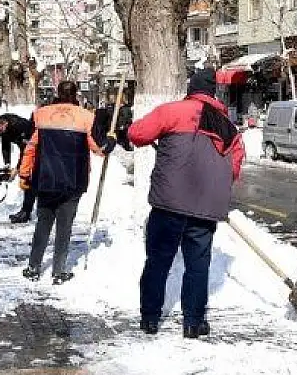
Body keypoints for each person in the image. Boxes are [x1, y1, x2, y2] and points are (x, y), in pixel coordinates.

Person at [127, 68, 245, 338]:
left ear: (191, 89)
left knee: (158, 260)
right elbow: (234, 167)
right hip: (206, 208)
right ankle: (193, 322)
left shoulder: (172, 111)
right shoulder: (227, 126)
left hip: (169, 203)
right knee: (197, 264)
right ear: (214, 92)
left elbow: (137, 134)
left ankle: (150, 318)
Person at [19, 81, 114, 284]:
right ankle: (59, 270)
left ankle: (33, 266)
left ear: (57, 93)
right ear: (75, 95)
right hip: (73, 180)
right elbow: (98, 148)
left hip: (45, 179)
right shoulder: (86, 117)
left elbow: (30, 147)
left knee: (43, 223)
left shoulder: (40, 114)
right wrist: (110, 142)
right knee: (64, 226)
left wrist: (25, 174)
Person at [0, 113, 37, 223]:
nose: (0, 133)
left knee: (28, 179)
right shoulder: (4, 129)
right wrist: (7, 164)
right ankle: (26, 211)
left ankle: (27, 212)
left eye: (0, 130)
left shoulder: (19, 125)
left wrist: (16, 170)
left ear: (4, 123)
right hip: (27, 150)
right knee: (27, 181)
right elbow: (5, 146)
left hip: (37, 147)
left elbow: (25, 150)